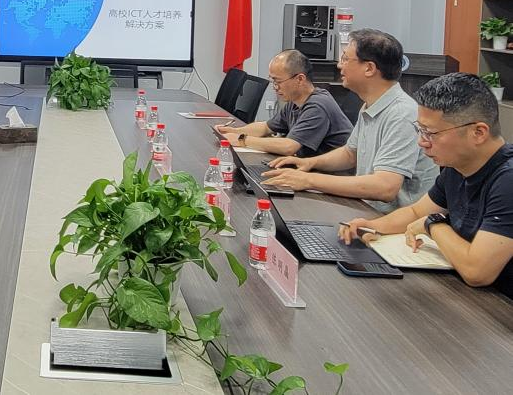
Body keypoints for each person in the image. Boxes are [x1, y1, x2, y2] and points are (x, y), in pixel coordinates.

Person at [340, 73, 513, 298]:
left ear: (478, 132)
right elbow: (416, 212)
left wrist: (433, 224)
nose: (422, 142)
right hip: (469, 294)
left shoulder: (507, 179)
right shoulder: (457, 167)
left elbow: (477, 272)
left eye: (430, 133)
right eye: (420, 130)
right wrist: (373, 226)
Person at [262, 29, 438, 213]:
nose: (340, 65)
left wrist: (309, 180)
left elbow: (385, 187)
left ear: (369, 68)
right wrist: (310, 163)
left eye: (345, 59)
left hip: (394, 222)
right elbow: (350, 153)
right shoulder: (371, 104)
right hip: (367, 209)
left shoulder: (401, 114)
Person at [217, 49, 351, 157]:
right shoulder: (295, 102)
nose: (275, 87)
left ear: (300, 79)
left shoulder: (317, 106)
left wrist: (242, 139)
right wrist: (234, 131)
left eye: (278, 81)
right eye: (273, 81)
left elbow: (289, 146)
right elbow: (266, 127)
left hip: (331, 176)